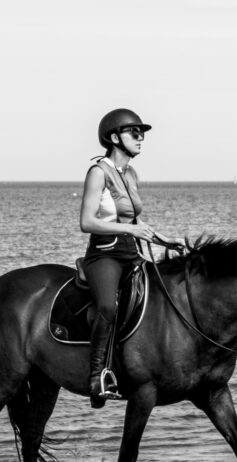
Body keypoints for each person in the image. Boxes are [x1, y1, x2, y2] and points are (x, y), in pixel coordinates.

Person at [79, 107, 174, 409]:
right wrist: (129, 229)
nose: (141, 138)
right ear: (113, 137)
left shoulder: (131, 174)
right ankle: (98, 377)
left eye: (142, 133)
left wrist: (164, 239)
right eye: (135, 132)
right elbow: (87, 222)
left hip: (130, 253)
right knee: (108, 306)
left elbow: (136, 226)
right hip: (104, 255)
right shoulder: (98, 172)